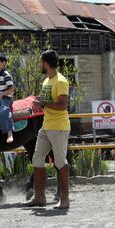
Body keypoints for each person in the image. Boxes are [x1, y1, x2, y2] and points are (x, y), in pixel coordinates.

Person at [26, 49, 70, 210]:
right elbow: (48, 102)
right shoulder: (46, 81)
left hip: (59, 128)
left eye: (40, 61)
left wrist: (43, 104)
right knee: (37, 159)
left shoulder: (61, 81)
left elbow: (63, 105)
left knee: (60, 162)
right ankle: (39, 197)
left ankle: (64, 199)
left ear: (45, 63)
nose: (39, 64)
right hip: (46, 126)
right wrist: (39, 102)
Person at [0, 53, 15, 143]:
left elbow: (12, 89)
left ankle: (9, 132)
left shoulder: (6, 75)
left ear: (3, 63)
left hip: (6, 98)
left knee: (3, 110)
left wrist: (2, 94)